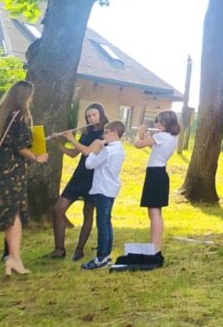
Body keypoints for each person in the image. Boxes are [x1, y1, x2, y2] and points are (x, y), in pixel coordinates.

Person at [0, 80, 49, 277]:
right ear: (25, 97)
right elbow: (20, 147)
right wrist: (37, 158)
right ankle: (14, 259)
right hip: (10, 174)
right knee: (13, 217)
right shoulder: (19, 118)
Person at [50, 103, 109, 260]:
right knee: (58, 209)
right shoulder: (86, 132)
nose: (91, 118)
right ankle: (59, 249)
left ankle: (79, 249)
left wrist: (71, 138)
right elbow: (74, 154)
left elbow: (87, 151)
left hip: (93, 177)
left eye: (94, 115)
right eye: (88, 116)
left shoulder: (105, 134)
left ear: (101, 115)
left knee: (87, 213)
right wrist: (58, 144)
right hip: (79, 176)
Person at [134, 110, 181, 257]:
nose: (155, 124)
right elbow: (154, 148)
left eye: (158, 121)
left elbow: (137, 144)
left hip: (155, 174)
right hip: (160, 173)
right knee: (155, 212)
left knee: (154, 213)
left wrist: (140, 133)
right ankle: (155, 246)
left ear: (165, 123)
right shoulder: (171, 137)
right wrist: (148, 137)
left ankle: (155, 249)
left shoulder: (160, 136)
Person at [81, 120, 126, 270]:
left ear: (114, 133)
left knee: (102, 223)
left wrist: (95, 150)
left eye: (106, 132)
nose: (103, 135)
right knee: (107, 221)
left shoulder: (108, 150)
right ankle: (106, 253)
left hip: (102, 188)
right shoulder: (120, 149)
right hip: (111, 188)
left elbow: (89, 164)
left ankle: (101, 256)